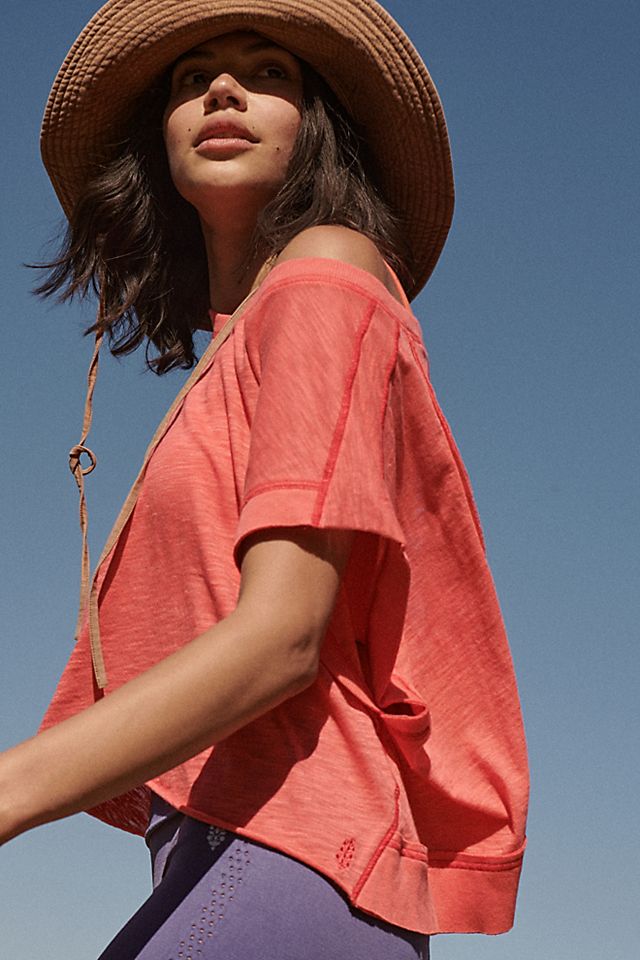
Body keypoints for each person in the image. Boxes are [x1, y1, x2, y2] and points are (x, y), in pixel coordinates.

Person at [0, 1, 529, 957]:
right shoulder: (241, 339)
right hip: (223, 858)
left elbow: (282, 636)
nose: (222, 89)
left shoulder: (324, 273)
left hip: (291, 853)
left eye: (269, 71)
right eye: (190, 75)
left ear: (319, 126)